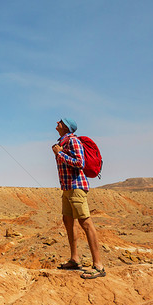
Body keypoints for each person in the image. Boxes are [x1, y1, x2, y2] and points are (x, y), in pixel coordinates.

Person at [53, 117, 105, 279]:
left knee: (85, 222)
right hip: (67, 187)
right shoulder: (63, 142)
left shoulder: (73, 141)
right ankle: (74, 259)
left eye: (60, 122)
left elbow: (79, 162)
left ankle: (98, 265)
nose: (57, 123)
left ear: (66, 127)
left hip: (76, 187)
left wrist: (60, 154)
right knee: (68, 220)